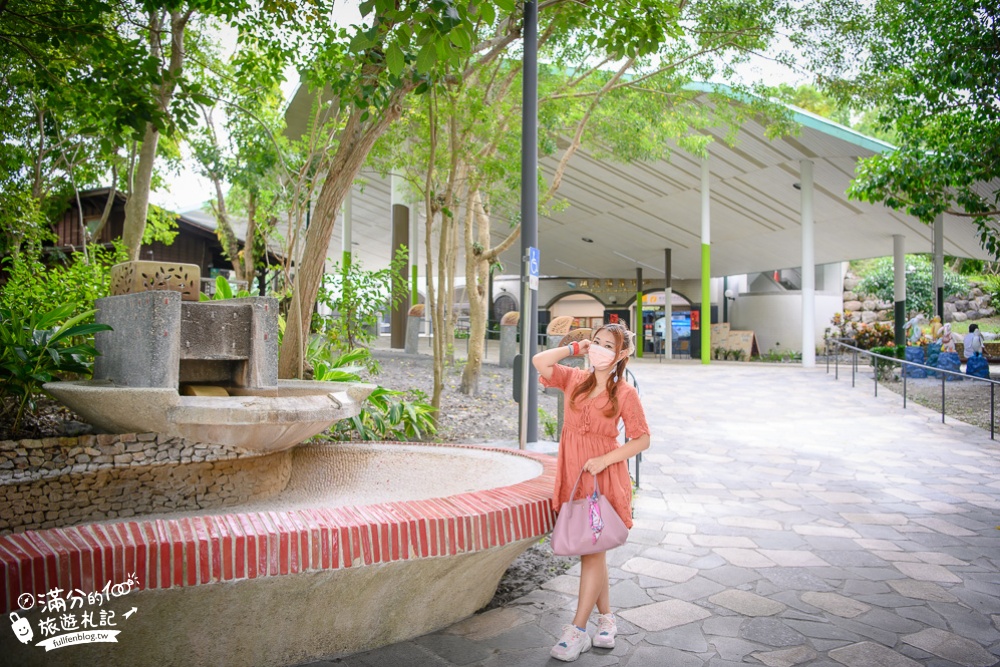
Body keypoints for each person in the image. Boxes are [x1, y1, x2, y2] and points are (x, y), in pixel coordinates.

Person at [533, 323, 651, 662]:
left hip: (603, 480)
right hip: (574, 476)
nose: (599, 349)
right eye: (597, 342)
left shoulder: (625, 393)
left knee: (593, 551)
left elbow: (642, 438)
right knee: (592, 551)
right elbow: (540, 361)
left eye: (607, 346)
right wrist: (576, 348)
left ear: (622, 354)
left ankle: (578, 630)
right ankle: (607, 620)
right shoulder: (574, 380)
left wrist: (604, 460)